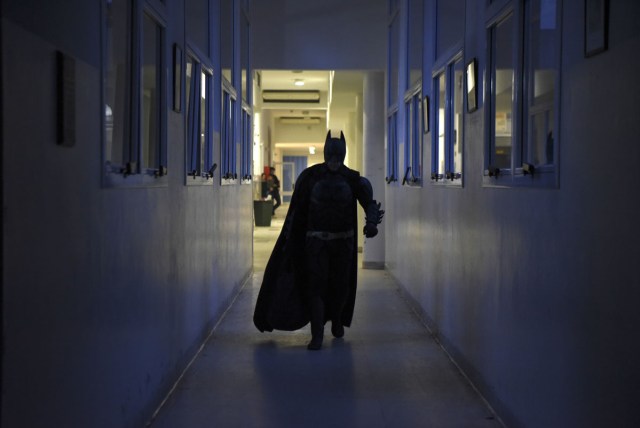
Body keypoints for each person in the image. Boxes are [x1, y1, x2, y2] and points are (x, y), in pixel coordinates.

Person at [253, 131, 384, 350]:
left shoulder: (353, 179)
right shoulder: (310, 177)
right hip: (315, 243)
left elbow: (370, 203)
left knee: (340, 286)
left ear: (342, 154)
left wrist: (371, 223)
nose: (333, 160)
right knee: (316, 287)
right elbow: (297, 210)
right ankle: (317, 334)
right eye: (330, 155)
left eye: (337, 155)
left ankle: (337, 320)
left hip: (343, 242)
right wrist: (289, 239)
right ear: (325, 153)